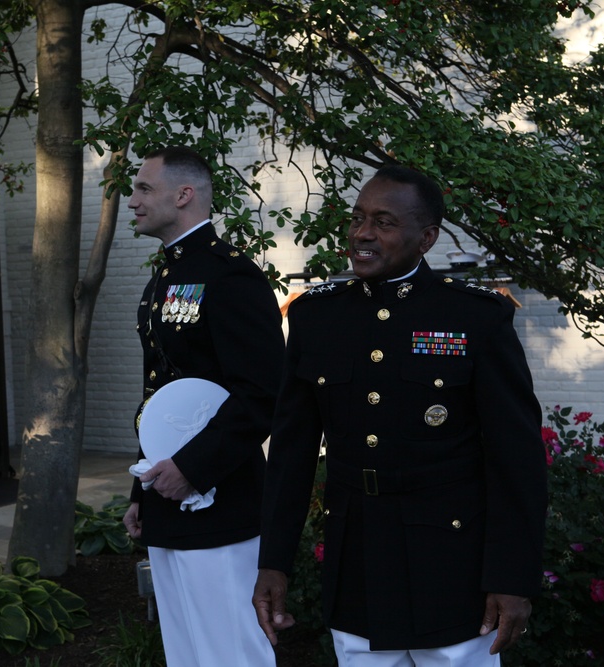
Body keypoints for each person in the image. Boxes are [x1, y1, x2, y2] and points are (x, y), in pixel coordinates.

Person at [253, 165, 548, 666]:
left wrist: (512, 579)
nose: (363, 234)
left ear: (425, 238)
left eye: (384, 223)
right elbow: (291, 451)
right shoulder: (316, 316)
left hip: (451, 565)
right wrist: (274, 563)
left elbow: (516, 459)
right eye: (358, 218)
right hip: (359, 561)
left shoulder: (475, 317)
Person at [122, 146, 284, 667]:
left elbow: (262, 391)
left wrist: (191, 469)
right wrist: (140, 490)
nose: (132, 201)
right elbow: (162, 396)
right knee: (186, 650)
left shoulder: (228, 275)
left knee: (230, 648)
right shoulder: (164, 277)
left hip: (221, 496)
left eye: (145, 189)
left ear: (184, 194)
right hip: (166, 493)